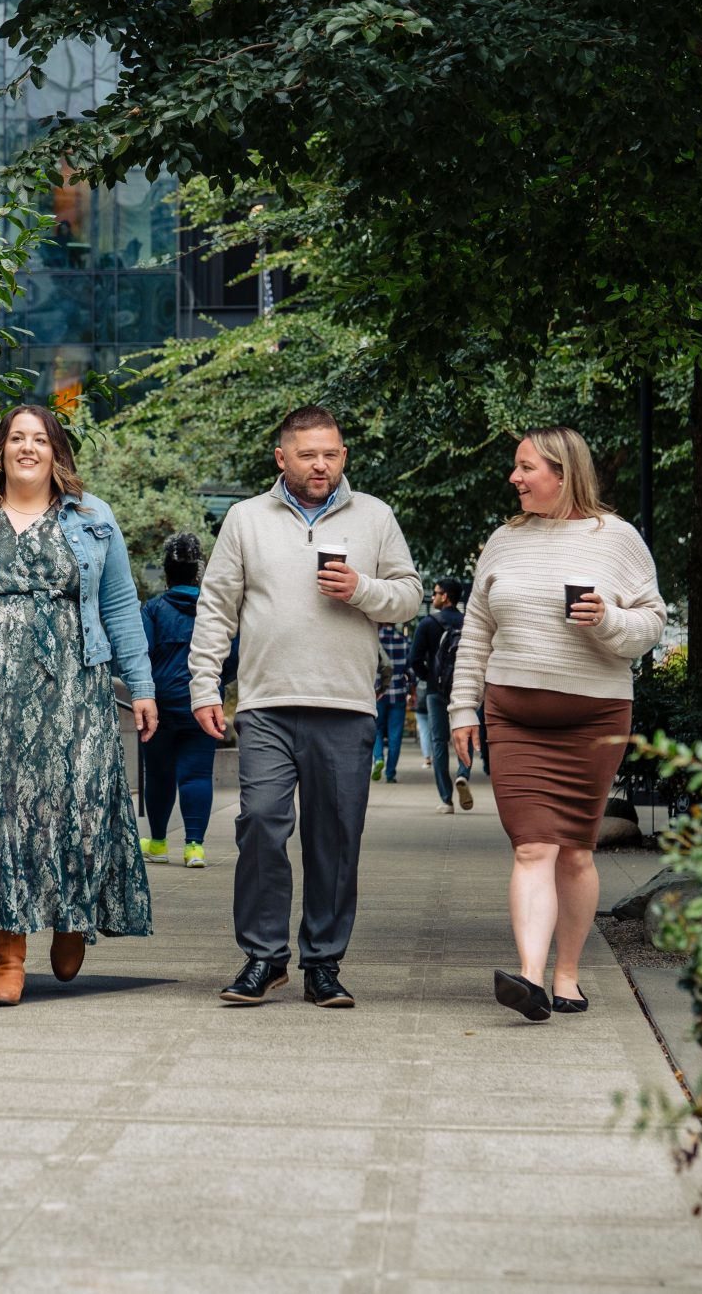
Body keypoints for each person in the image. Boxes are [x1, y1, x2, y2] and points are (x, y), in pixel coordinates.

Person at [0, 404, 157, 1007]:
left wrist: (142, 687)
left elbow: (121, 606)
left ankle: (71, 921)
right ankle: (8, 958)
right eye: (17, 438)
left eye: (38, 439)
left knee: (72, 801)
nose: (27, 448)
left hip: (70, 682)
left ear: (55, 451)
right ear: (1, 448)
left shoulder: (93, 517)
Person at [191, 405, 423, 1009]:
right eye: (308, 454)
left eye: (331, 453)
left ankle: (323, 962)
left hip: (346, 704)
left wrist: (363, 590)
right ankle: (264, 958)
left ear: (343, 455)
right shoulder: (245, 520)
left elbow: (408, 597)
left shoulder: (376, 516)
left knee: (336, 837)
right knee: (261, 823)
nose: (321, 464)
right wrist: (204, 687)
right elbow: (216, 608)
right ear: (282, 458)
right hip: (267, 703)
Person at [450, 428, 666, 1023]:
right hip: (513, 715)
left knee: (574, 851)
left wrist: (605, 620)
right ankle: (527, 976)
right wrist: (462, 708)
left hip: (593, 718)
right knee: (532, 847)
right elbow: (476, 632)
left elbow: (650, 625)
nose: (514, 479)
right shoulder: (503, 540)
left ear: (563, 473)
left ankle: (567, 976)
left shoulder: (617, 539)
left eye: (525, 468)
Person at [138, 532, 232, 868]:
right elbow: (231, 655)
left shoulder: (152, 610)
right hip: (203, 705)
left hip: (159, 706)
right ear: (198, 573)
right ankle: (195, 847)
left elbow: (139, 655)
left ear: (166, 573)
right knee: (197, 775)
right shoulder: (214, 610)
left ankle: (159, 843)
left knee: (159, 775)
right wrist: (218, 685)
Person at [409, 578, 468, 811]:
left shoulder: (427, 623)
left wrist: (429, 678)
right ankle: (463, 774)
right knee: (464, 734)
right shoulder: (468, 623)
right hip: (463, 689)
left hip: (436, 690)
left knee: (439, 742)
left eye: (435, 593)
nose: (432, 597)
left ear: (445, 596)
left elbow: (414, 659)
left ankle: (446, 799)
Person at [371, 618, 413, 782]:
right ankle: (390, 774)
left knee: (377, 730)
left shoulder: (375, 639)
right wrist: (412, 689)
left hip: (377, 693)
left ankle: (379, 758)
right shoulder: (404, 641)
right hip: (399, 694)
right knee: (395, 735)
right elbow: (410, 670)